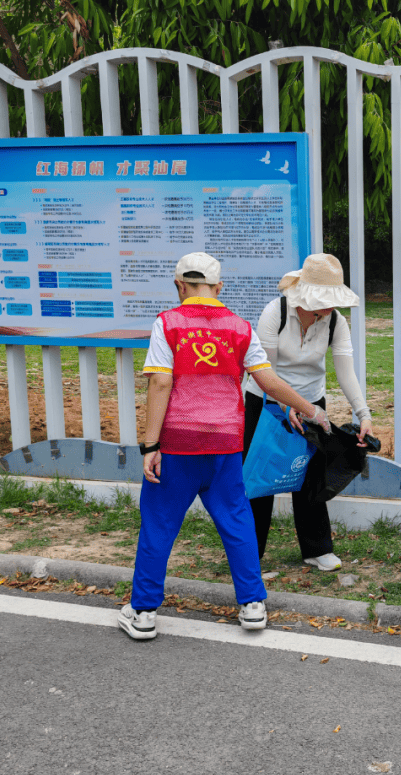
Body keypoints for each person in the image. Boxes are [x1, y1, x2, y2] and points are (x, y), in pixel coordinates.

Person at [119, 252, 330, 641]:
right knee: (237, 522)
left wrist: (151, 445)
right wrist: (311, 411)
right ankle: (252, 605)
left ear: (179, 285)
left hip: (178, 446)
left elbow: (160, 384)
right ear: (219, 288)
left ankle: (144, 611)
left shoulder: (167, 323)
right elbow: (268, 381)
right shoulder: (239, 327)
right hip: (225, 445)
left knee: (159, 524)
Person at [243, 253, 374, 570]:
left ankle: (316, 548)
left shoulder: (336, 322)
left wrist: (363, 414)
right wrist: (286, 404)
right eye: (323, 299)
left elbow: (346, 371)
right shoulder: (275, 312)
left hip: (313, 404)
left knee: (311, 473)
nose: (330, 307)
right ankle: (249, 554)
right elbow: (266, 372)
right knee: (260, 476)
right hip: (265, 400)